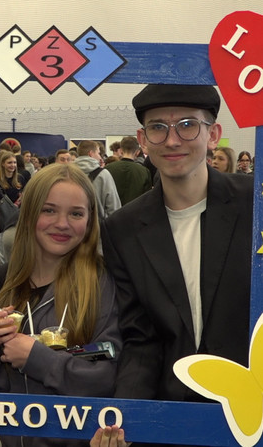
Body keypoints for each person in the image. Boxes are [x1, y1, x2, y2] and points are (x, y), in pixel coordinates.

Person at [101, 84, 253, 446]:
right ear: (142, 140)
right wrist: (126, 418)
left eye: (188, 125)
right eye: (158, 127)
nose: (172, 140)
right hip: (172, 418)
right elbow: (141, 339)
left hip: (252, 410)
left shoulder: (254, 205)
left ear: (213, 135)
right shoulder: (123, 228)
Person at [0, 163, 122, 447]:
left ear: (90, 219)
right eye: (49, 210)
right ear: (29, 213)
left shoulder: (102, 286)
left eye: (76, 213)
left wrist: (39, 360)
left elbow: (107, 373)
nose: (62, 223)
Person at [74, 140, 121, 220]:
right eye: (98, 153)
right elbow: (113, 206)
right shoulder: (103, 174)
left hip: (74, 223)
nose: (100, 157)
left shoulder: (68, 173)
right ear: (91, 153)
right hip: (97, 224)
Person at [105, 136, 152, 205]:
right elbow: (147, 198)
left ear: (121, 150)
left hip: (114, 210)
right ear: (137, 152)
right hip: (136, 209)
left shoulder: (108, 169)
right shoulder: (144, 172)